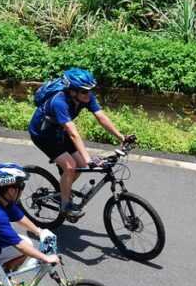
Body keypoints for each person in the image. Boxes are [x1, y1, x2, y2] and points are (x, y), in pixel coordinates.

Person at [28, 68, 127, 220]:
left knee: (80, 165)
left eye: (89, 91)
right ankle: (65, 205)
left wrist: (121, 137)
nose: (89, 95)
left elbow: (101, 117)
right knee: (70, 166)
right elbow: (73, 133)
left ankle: (61, 191)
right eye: (84, 92)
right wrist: (88, 158)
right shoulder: (59, 102)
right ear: (72, 91)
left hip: (60, 130)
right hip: (43, 134)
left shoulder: (85, 96)